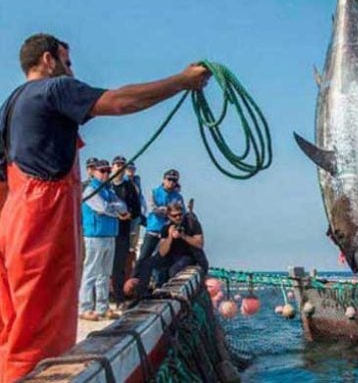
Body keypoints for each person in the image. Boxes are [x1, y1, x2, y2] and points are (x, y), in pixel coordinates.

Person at [0, 33, 209, 380]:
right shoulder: (54, 89)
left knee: (12, 326)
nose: (71, 70)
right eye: (67, 62)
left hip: (12, 222)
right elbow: (119, 101)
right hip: (41, 224)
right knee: (39, 333)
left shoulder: (9, 108)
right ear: (49, 61)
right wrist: (181, 81)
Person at [123, 202, 208, 299]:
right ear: (169, 216)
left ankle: (171, 294)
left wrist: (183, 236)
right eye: (174, 216)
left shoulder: (191, 224)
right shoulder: (166, 228)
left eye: (180, 215)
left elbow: (199, 243)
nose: (178, 218)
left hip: (187, 256)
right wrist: (170, 237)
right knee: (147, 264)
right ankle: (142, 293)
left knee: (173, 270)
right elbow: (162, 252)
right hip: (171, 256)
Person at [80, 159, 128, 321]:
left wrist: (114, 209)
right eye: (102, 171)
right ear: (93, 171)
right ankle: (85, 307)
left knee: (105, 274)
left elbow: (123, 206)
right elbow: (102, 208)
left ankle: (102, 307)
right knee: (91, 272)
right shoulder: (90, 190)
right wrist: (116, 211)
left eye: (108, 171)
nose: (106, 174)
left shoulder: (109, 190)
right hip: (95, 235)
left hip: (109, 234)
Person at [110, 156, 141, 310]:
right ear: (112, 166)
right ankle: (99, 300)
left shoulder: (129, 187)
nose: (120, 167)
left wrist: (129, 215)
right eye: (117, 165)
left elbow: (137, 209)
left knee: (119, 266)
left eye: (123, 165)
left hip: (122, 232)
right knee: (101, 268)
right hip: (106, 232)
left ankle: (119, 299)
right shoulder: (105, 186)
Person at [138, 169, 185, 265]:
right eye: (169, 179)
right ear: (164, 179)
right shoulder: (154, 192)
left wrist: (167, 212)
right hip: (153, 230)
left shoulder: (178, 197)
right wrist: (167, 211)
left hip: (168, 233)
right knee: (143, 258)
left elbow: (181, 213)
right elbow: (152, 208)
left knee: (163, 260)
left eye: (174, 180)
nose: (171, 182)